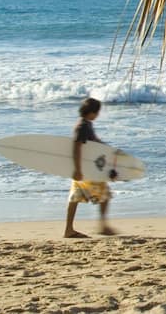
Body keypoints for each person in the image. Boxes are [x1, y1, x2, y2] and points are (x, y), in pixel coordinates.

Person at [64, 97, 117, 238]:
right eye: (97, 112)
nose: (98, 115)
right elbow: (76, 148)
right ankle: (102, 226)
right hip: (86, 170)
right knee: (105, 195)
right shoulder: (82, 127)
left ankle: (69, 229)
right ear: (92, 112)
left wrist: (107, 148)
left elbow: (93, 143)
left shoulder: (86, 124)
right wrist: (77, 169)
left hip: (84, 168)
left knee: (75, 199)